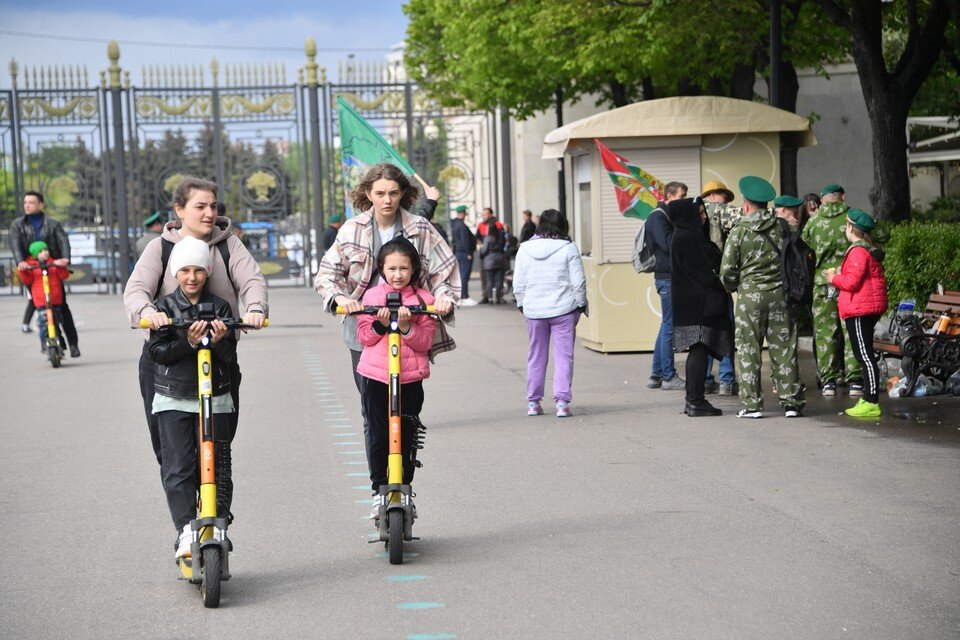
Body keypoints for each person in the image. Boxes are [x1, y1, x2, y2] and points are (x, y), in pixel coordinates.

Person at [124, 176, 268, 473]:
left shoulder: (229, 245)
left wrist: (255, 309)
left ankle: (213, 505)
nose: (209, 213)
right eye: (200, 206)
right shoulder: (160, 247)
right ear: (179, 210)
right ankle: (187, 514)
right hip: (169, 361)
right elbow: (136, 290)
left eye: (213, 206)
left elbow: (252, 281)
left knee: (219, 445)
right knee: (170, 450)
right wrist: (148, 312)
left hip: (217, 356)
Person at [314, 163, 459, 441]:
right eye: (380, 193)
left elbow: (445, 270)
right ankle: (380, 482)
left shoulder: (421, 228)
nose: (387, 200)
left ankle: (404, 470)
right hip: (366, 326)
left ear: (403, 193)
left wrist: (443, 298)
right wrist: (341, 298)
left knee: (407, 410)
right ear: (368, 193)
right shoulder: (350, 229)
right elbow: (327, 273)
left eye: (393, 193)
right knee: (374, 411)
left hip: (411, 322)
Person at [148, 237, 238, 558]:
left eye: (198, 270)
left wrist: (221, 341)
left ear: (207, 271)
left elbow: (228, 357)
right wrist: (187, 341)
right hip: (174, 397)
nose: (191, 277)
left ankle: (217, 520)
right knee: (179, 465)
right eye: (184, 270)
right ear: (175, 273)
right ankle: (186, 528)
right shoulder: (164, 309)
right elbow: (158, 352)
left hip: (215, 397)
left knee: (217, 464)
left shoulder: (221, 308)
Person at [356, 237, 437, 518]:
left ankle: (404, 488)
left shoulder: (425, 301)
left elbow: (425, 341)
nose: (398, 274)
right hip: (376, 377)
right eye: (391, 269)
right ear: (381, 269)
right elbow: (364, 336)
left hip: (409, 379)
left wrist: (405, 326)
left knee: (407, 434)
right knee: (379, 433)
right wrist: (380, 323)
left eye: (404, 268)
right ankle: (379, 489)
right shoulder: (371, 298)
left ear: (413, 269)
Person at [720, 176, 805, 419]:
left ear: (746, 205)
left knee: (748, 349)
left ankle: (752, 405)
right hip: (781, 296)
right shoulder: (783, 227)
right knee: (785, 349)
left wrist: (737, 286)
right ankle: (791, 403)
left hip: (750, 298)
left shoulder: (739, 232)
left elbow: (727, 272)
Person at [513, 209, 587, 418]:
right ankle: (562, 403)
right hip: (564, 309)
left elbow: (519, 283)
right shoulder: (568, 248)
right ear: (562, 225)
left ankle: (533, 403)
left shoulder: (524, 249)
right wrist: (580, 305)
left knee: (536, 355)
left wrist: (523, 305)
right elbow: (578, 282)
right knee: (564, 356)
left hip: (534, 311)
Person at [668, 198, 733, 417]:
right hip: (699, 305)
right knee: (699, 349)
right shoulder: (688, 239)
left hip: (691, 304)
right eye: (701, 213)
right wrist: (723, 283)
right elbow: (703, 272)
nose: (705, 217)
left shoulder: (683, 236)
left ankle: (693, 400)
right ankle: (695, 401)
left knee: (699, 350)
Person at [824, 209, 888, 418]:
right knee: (864, 354)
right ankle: (868, 398)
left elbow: (852, 282)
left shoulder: (858, 252)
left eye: (846, 225)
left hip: (860, 309)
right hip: (863, 307)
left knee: (864, 356)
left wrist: (833, 277)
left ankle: (871, 401)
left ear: (851, 228)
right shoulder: (865, 250)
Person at [802, 183, 862, 397]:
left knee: (825, 333)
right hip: (850, 283)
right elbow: (881, 235)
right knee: (851, 330)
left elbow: (805, 246)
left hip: (823, 284)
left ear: (822, 199)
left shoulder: (814, 222)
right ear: (842, 197)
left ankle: (828, 381)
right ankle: (855, 379)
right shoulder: (853, 218)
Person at [9, 190, 80, 355]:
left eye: (31, 202)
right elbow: (15, 243)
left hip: (52, 268)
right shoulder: (18, 225)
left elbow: (63, 240)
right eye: (25, 202)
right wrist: (21, 262)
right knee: (40, 304)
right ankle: (51, 340)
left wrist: (64, 259)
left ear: (41, 205)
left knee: (61, 307)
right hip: (31, 270)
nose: (27, 205)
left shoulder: (52, 223)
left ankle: (73, 344)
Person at [646, 181, 687, 391]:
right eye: (681, 197)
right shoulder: (658, 217)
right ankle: (669, 376)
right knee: (670, 326)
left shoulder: (664, 216)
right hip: (667, 277)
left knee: (666, 325)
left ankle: (656, 374)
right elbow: (669, 244)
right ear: (669, 196)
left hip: (669, 276)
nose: (683, 201)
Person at [699, 180, 738, 396]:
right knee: (725, 328)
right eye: (724, 196)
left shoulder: (695, 214)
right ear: (713, 195)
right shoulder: (722, 212)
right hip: (720, 280)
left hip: (701, 282)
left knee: (705, 330)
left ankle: (706, 379)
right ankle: (727, 379)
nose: (725, 202)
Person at [17, 241, 70, 353]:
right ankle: (44, 344)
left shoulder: (53, 264)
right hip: (41, 301)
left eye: (46, 250)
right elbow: (26, 280)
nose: (44, 253)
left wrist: (61, 266)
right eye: (41, 251)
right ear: (35, 254)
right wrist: (23, 270)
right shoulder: (32, 266)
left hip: (54, 299)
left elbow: (63, 275)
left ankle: (59, 343)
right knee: (43, 324)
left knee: (56, 323)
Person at [450, 204, 478, 306]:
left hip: (459, 252)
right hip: (464, 253)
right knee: (464, 275)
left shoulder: (456, 224)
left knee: (462, 275)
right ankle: (464, 296)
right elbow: (465, 240)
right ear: (463, 213)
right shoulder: (461, 225)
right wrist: (469, 253)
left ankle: (463, 296)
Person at [476, 207, 504, 303]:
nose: (484, 216)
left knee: (491, 278)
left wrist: (483, 248)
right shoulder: (480, 225)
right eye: (483, 214)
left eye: (485, 214)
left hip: (487, 255)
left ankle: (493, 297)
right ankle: (488, 297)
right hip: (493, 255)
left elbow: (502, 239)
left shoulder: (498, 225)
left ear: (491, 214)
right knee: (488, 278)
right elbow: (478, 237)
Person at [480, 222, 506, 304]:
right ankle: (498, 298)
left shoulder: (487, 238)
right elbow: (503, 248)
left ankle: (490, 298)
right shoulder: (500, 238)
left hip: (489, 262)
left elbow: (484, 251)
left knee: (490, 280)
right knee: (499, 280)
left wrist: (480, 251)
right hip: (499, 260)